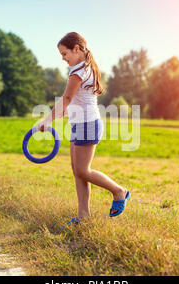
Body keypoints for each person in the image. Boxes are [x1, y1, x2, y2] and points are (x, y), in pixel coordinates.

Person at [37, 32, 130, 226]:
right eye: (61, 55)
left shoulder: (78, 71)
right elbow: (73, 102)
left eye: (65, 54)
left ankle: (119, 191)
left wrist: (47, 120)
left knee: (83, 170)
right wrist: (60, 114)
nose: (63, 59)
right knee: (77, 170)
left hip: (87, 124)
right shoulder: (84, 67)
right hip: (80, 123)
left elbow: (67, 99)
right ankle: (83, 215)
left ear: (76, 49)